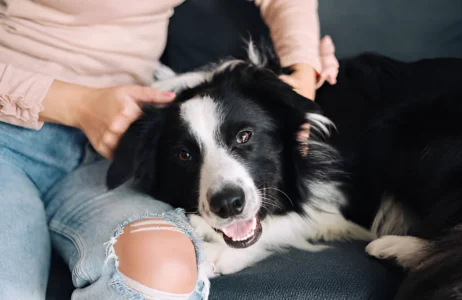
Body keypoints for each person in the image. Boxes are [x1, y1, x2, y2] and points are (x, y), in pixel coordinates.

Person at [0, 0, 338, 299]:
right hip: (8, 139)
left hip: (112, 153)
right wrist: (80, 105)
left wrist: (302, 72)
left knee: (164, 271)